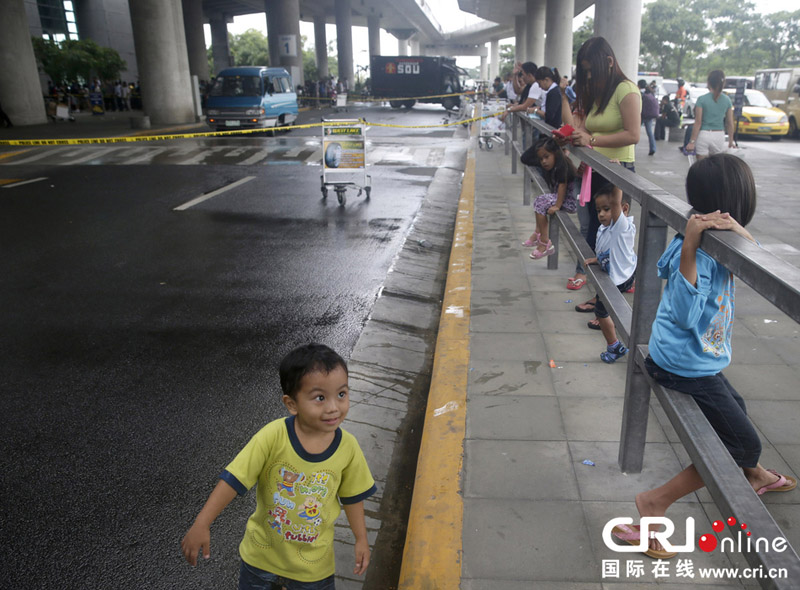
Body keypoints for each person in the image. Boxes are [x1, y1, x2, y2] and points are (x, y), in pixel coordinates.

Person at [615, 154, 796, 559]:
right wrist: (692, 248)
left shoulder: (721, 238)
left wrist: (738, 232)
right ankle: (654, 503)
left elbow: (757, 259)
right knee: (743, 444)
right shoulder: (698, 249)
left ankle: (755, 476)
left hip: (697, 361)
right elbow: (682, 312)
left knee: (738, 408)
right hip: (683, 366)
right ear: (732, 201)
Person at [181, 343, 377, 588]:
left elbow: (352, 496)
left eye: (341, 394)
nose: (333, 407)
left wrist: (361, 538)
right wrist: (202, 522)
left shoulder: (348, 447)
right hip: (261, 559)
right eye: (319, 398)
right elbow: (234, 478)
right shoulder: (273, 436)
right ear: (291, 404)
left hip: (312, 567)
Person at [561, 36, 641, 320]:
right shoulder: (599, 94)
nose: (590, 76)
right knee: (598, 237)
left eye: (592, 70)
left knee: (615, 239)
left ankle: (607, 304)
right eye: (586, 72)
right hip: (595, 172)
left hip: (618, 174)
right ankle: (601, 298)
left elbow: (633, 134)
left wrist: (592, 138)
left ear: (609, 61)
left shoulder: (626, 90)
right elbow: (583, 127)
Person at [583, 184, 636, 362]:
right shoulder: (605, 227)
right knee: (603, 310)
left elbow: (616, 201)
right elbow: (609, 248)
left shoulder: (621, 226)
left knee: (601, 311)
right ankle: (613, 341)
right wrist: (598, 259)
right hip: (616, 273)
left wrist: (617, 177)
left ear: (624, 209)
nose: (602, 214)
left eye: (607, 209)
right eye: (598, 210)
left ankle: (614, 347)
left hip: (619, 279)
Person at [521, 138, 578, 259]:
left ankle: (544, 242)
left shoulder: (563, 165)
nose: (544, 161)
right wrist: (548, 139)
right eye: (541, 159)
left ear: (556, 153)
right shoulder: (553, 164)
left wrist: (557, 205)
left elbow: (563, 186)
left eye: (547, 157)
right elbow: (525, 158)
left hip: (569, 201)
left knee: (541, 203)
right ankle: (538, 234)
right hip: (560, 197)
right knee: (539, 201)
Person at [686, 70, 735, 160]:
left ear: (709, 83)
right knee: (716, 165)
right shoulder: (727, 100)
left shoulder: (702, 100)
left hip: (703, 135)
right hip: (719, 135)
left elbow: (698, 123)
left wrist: (692, 142)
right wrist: (731, 141)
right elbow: (730, 123)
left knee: (701, 167)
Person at [638, 80, 659, 156]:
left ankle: (631, 147)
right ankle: (653, 148)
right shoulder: (650, 92)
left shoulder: (640, 93)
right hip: (649, 116)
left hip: (642, 115)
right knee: (650, 133)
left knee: (635, 131)